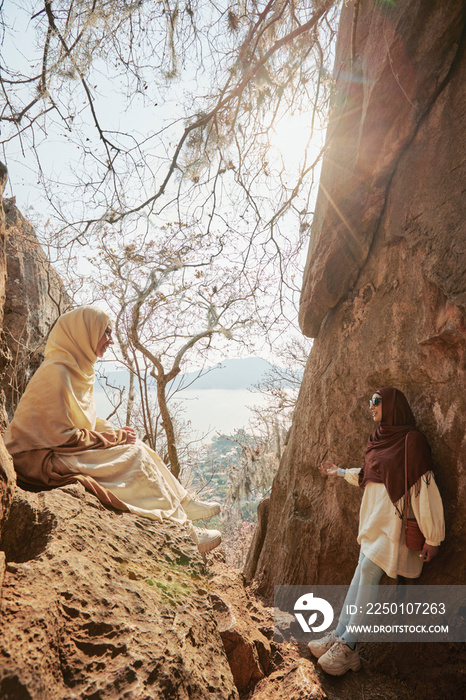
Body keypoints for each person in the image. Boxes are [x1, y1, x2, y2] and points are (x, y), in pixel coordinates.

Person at [4, 305, 222, 554]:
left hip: (57, 448)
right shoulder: (57, 373)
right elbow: (63, 437)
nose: (111, 340)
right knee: (134, 457)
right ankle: (186, 531)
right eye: (105, 332)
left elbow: (83, 420)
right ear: (83, 333)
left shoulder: (77, 370)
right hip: (39, 459)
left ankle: (184, 503)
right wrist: (113, 438)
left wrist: (117, 434)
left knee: (136, 446)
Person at [308, 387, 445, 676]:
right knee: (361, 571)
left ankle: (349, 646)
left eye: (376, 402)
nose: (371, 407)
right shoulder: (378, 439)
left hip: (393, 526)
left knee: (368, 571)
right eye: (371, 402)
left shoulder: (412, 441)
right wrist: (341, 472)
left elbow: (424, 489)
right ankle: (341, 636)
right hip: (373, 522)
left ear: (392, 405)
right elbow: (373, 476)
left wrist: (433, 536)